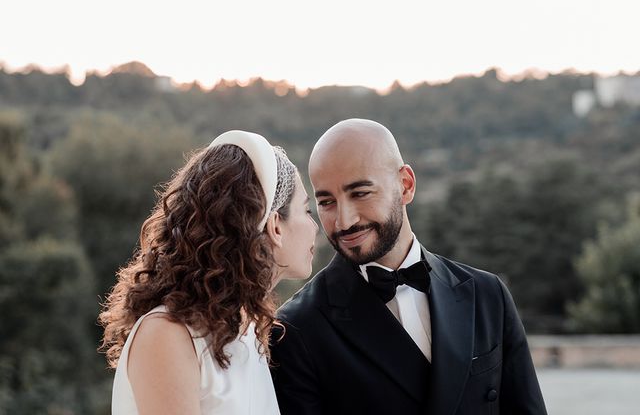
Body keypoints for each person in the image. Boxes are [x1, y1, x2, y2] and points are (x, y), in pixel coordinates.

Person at [270, 119, 547, 415]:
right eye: (327, 202)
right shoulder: (295, 328)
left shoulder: (488, 294)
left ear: (406, 185)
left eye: (360, 193)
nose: (344, 221)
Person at [99, 130, 318, 415]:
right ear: (275, 226)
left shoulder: (248, 334)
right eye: (307, 211)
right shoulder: (167, 334)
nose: (315, 227)